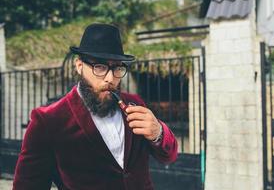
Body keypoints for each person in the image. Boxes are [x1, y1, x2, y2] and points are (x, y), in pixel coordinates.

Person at [13, 23, 178, 190]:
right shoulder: (48, 121)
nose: (110, 78)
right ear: (79, 65)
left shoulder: (135, 103)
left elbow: (169, 156)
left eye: (117, 68)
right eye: (99, 67)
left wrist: (158, 132)